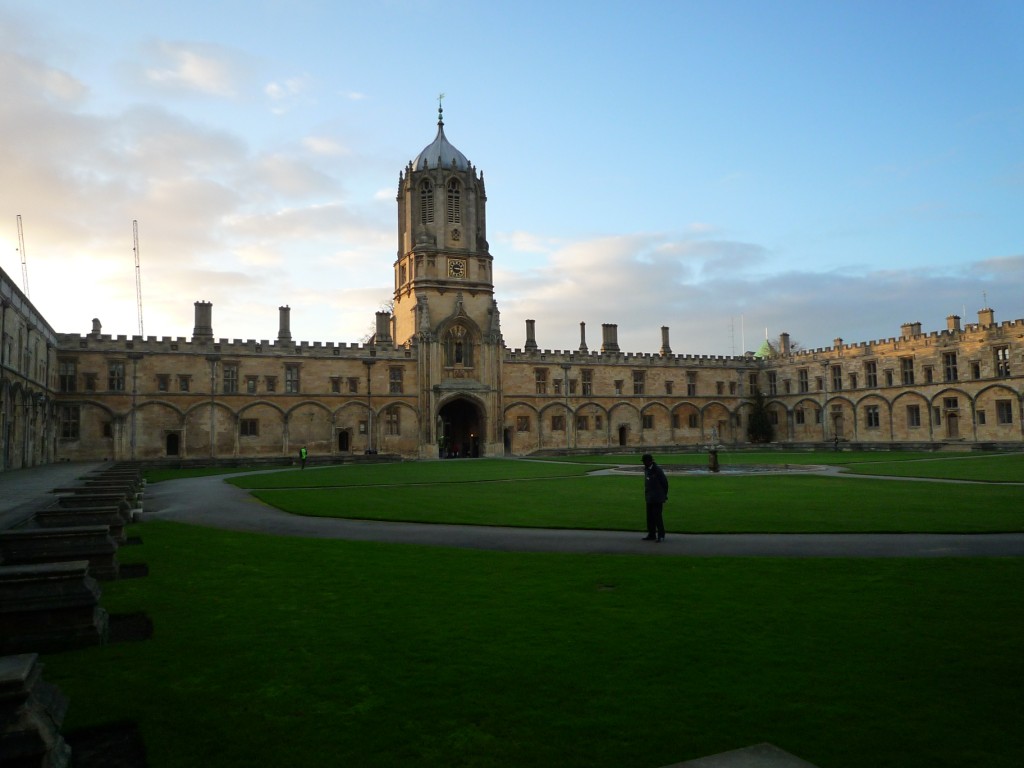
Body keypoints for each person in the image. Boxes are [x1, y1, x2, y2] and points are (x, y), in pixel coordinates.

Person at [641, 453, 669, 542]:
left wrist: (664, 495)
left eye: (645, 461)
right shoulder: (646, 469)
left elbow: (665, 483)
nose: (644, 463)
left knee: (657, 517)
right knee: (650, 517)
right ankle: (651, 534)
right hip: (649, 497)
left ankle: (661, 535)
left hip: (657, 497)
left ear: (649, 461)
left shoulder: (657, 470)